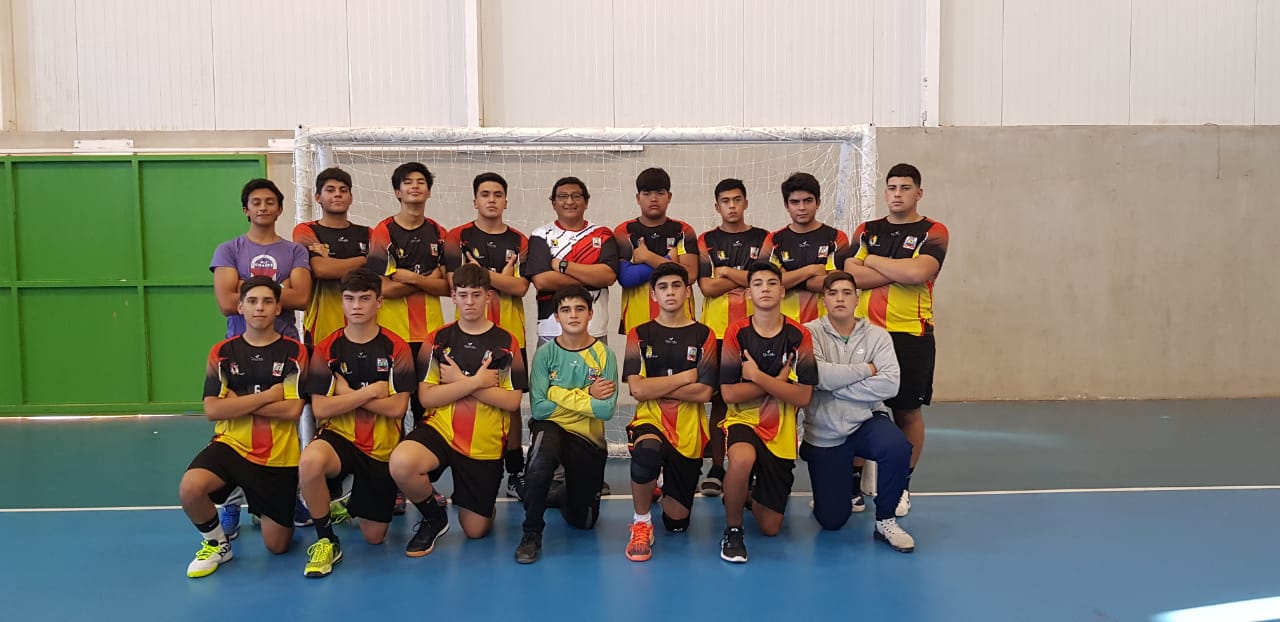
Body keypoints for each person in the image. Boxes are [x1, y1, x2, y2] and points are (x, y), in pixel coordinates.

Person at [388, 263, 527, 555]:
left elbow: (511, 401)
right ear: (453, 297)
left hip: (484, 442)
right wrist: (476, 382)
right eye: (463, 295)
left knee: (475, 531)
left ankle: (480, 502)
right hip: (441, 429)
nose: (469, 302)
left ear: (488, 296)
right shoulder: (436, 340)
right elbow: (427, 398)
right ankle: (434, 518)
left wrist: (458, 381)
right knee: (401, 463)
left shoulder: (506, 342)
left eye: (476, 295)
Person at [178, 277, 307, 578]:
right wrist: (269, 396)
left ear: (278, 308)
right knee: (190, 488)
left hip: (278, 457)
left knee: (277, 546)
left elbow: (292, 410)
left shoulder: (295, 352)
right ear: (240, 307)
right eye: (252, 301)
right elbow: (213, 410)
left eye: (267, 302)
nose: (259, 308)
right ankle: (217, 543)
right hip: (231, 445)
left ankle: (274, 504)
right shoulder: (222, 352)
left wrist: (238, 402)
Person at [840, 163, 949, 518]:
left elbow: (919, 273)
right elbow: (851, 276)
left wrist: (871, 260)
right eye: (892, 187)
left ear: (919, 193)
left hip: (910, 334)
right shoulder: (866, 229)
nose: (897, 193)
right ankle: (853, 488)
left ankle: (901, 485)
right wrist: (897, 269)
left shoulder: (934, 231)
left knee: (907, 411)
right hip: (864, 336)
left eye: (905, 187)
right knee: (856, 410)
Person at [297, 269, 415, 577]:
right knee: (309, 462)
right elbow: (321, 408)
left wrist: (347, 393)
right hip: (340, 438)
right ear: (342, 302)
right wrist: (371, 391)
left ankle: (351, 503)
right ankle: (326, 540)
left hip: (382, 448)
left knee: (374, 537)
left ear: (379, 302)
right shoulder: (326, 348)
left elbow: (397, 408)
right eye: (349, 299)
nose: (356, 306)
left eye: (364, 299)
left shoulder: (397, 347)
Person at [801, 271, 914, 552]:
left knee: (897, 446)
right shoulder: (808, 333)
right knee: (831, 520)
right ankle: (831, 496)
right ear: (824, 300)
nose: (840, 298)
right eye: (832, 293)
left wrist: (833, 385)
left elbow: (890, 384)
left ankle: (885, 520)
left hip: (866, 420)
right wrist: (867, 370)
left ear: (857, 298)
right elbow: (816, 376)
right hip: (825, 431)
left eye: (846, 292)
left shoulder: (878, 336)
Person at [718, 262, 817, 563]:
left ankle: (744, 494)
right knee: (741, 459)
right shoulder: (736, 332)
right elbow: (729, 394)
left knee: (771, 528)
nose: (765, 289)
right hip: (743, 420)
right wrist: (778, 383)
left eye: (772, 283)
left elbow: (804, 396)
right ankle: (733, 531)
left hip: (781, 431)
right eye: (758, 284)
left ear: (782, 291)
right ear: (748, 293)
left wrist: (758, 377)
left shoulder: (800, 335)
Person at [444, 172, 532, 502]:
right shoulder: (457, 237)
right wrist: (499, 279)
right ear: (475, 200)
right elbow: (455, 284)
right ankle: (463, 465)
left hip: (510, 333)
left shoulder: (520, 240)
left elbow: (521, 287)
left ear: (506, 201)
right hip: (467, 334)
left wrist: (482, 274)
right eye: (485, 194)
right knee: (464, 395)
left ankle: (515, 470)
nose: (491, 199)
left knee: (511, 402)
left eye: (497, 194)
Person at [515, 285, 619, 564]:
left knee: (583, 522)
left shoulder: (604, 355)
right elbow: (539, 408)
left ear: (590, 314)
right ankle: (531, 532)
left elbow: (606, 410)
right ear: (556, 317)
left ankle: (557, 493)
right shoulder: (545, 354)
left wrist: (554, 392)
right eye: (565, 310)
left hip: (587, 439)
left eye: (579, 309)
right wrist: (587, 394)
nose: (573, 315)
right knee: (539, 460)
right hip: (551, 427)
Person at [621, 263, 717, 562]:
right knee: (646, 452)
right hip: (650, 419)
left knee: (677, 524)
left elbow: (704, 393)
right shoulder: (639, 334)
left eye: (676, 286)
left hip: (689, 429)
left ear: (688, 291)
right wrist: (686, 377)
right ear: (654, 295)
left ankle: (661, 482)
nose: (670, 292)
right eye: (663, 287)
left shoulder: (704, 334)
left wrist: (655, 386)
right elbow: (637, 390)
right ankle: (641, 522)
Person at [695, 178, 769, 496]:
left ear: (746, 203)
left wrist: (725, 271)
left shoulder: (765, 238)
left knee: (755, 398)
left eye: (737, 199)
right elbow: (707, 287)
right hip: (716, 332)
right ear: (717, 206)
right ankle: (716, 468)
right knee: (719, 401)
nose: (732, 206)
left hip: (756, 332)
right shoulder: (705, 240)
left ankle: (754, 469)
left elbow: (763, 279)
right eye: (725, 201)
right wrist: (745, 277)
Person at [211, 178, 311, 341]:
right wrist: (281, 287)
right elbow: (227, 304)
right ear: (246, 210)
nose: (263, 208)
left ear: (279, 209)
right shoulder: (228, 250)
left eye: (269, 203)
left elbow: (301, 299)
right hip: (238, 344)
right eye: (256, 203)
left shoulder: (296, 251)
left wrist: (244, 286)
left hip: (286, 344)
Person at [526, 177, 619, 346]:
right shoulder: (541, 235)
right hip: (551, 329)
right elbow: (542, 281)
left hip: (594, 328)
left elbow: (608, 276)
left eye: (576, 196)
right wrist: (591, 278)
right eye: (562, 196)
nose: (569, 201)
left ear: (586, 202)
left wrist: (563, 266)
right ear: (554, 203)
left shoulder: (602, 234)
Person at [613, 167, 699, 335]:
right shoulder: (624, 231)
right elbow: (626, 278)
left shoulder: (683, 230)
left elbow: (690, 275)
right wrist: (669, 261)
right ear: (638, 198)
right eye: (647, 193)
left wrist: (647, 257)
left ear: (669, 196)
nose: (653, 199)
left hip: (681, 318)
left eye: (660, 193)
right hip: (638, 318)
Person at [292, 166, 370, 346]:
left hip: (363, 326)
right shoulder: (306, 230)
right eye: (330, 190)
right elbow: (321, 269)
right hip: (321, 327)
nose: (337, 194)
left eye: (343, 190)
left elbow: (377, 270)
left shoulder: (368, 233)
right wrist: (363, 260)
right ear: (317, 197)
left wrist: (332, 262)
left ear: (351, 198)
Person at [759, 172, 848, 324]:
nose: (802, 208)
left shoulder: (837, 238)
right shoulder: (773, 240)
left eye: (808, 201)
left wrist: (787, 279)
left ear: (818, 202)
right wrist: (811, 270)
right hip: (782, 326)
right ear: (786, 206)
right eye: (795, 202)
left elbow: (836, 285)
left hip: (826, 326)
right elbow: (766, 284)